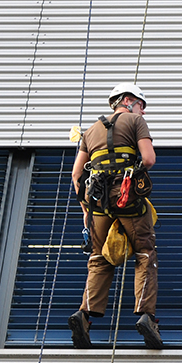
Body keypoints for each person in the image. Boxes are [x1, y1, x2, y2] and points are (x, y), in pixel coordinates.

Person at [68, 82, 162, 349]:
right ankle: (146, 315)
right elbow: (149, 159)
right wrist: (132, 170)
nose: (143, 112)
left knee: (99, 257)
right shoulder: (135, 122)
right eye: (142, 106)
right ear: (129, 101)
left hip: (97, 199)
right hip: (126, 194)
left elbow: (77, 175)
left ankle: (84, 316)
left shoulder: (90, 130)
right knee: (145, 251)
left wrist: (86, 210)